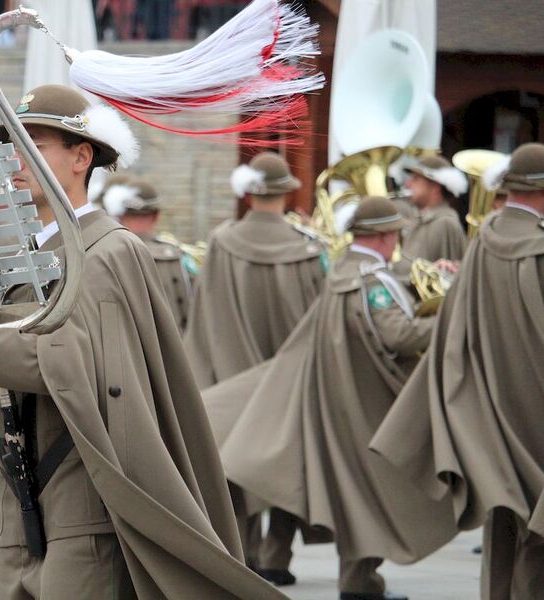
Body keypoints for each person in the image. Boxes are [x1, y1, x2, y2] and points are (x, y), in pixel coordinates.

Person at [0, 84, 284, 599]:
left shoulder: (108, 252)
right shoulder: (25, 261)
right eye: (9, 146)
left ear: (80, 156)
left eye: (36, 145)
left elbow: (66, 368)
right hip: (16, 508)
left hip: (80, 509)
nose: (16, 160)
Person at [218, 196, 459, 600]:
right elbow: (399, 335)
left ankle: (353, 579)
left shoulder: (347, 268)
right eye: (396, 233)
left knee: (350, 493)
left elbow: (391, 277)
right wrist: (450, 316)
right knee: (370, 494)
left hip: (339, 397)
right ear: (384, 235)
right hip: (366, 403)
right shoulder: (370, 281)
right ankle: (359, 583)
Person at [371, 142, 544, 600]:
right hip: (538, 407)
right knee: (537, 537)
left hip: (490, 403)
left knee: (504, 523)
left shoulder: (483, 239)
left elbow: (454, 326)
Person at [185, 151, 324, 583]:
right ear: (287, 193)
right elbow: (320, 321)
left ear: (247, 192)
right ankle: (277, 557)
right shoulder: (308, 248)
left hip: (231, 371)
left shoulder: (222, 243)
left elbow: (202, 316)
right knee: (287, 457)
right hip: (289, 377)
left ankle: (242, 551)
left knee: (233, 460)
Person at [102, 176, 193, 331]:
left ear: (120, 215)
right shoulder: (178, 257)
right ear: (156, 215)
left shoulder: (104, 254)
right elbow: (189, 312)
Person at [400, 154, 468, 263]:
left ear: (435, 187)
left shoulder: (445, 223)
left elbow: (447, 276)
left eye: (416, 179)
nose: (408, 184)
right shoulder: (419, 220)